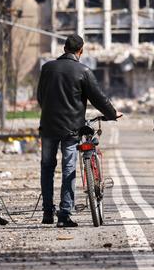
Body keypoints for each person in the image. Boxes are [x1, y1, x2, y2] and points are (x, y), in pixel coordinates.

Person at [37, 34, 119, 228]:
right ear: (81, 51)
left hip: (48, 126)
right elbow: (98, 98)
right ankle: (64, 215)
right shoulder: (83, 71)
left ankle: (47, 212)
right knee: (68, 169)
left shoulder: (47, 68)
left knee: (47, 167)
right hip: (72, 129)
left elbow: (40, 96)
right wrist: (112, 114)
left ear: (64, 48)